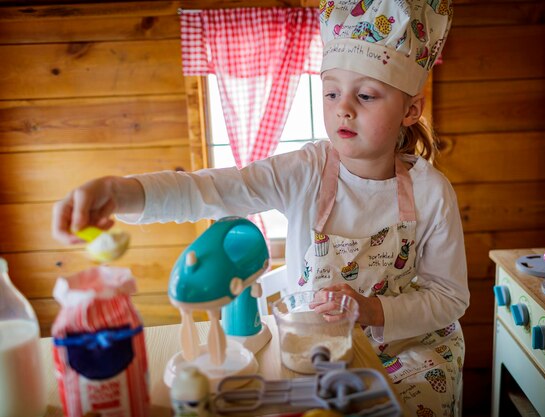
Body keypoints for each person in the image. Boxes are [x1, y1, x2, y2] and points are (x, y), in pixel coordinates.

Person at [52, 0, 468, 414]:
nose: (343, 107)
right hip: (314, 345)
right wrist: (120, 192)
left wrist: (372, 309)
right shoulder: (306, 170)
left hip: (409, 353)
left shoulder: (432, 192)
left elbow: (448, 298)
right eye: (331, 92)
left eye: (365, 95)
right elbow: (211, 189)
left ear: (410, 109)